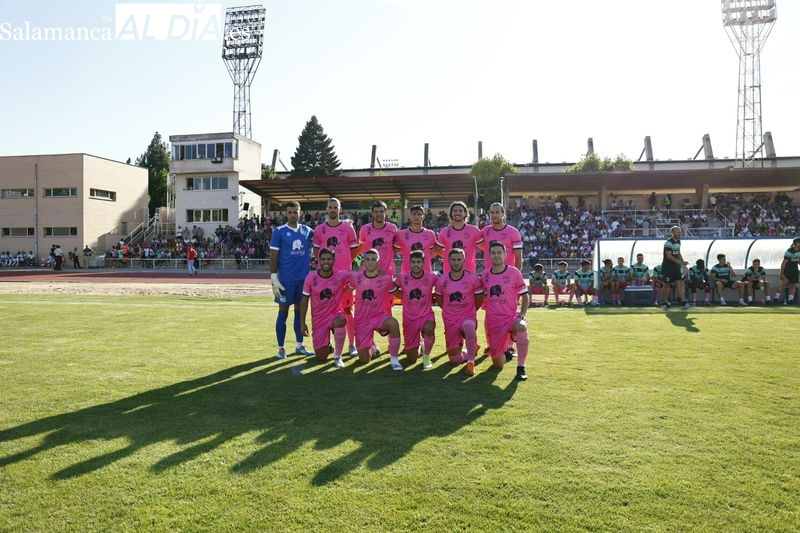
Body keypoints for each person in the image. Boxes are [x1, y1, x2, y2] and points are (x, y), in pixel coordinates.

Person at [312, 198, 359, 355]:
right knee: (325, 309)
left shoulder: (348, 228)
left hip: (344, 278)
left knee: (347, 309)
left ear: (340, 209)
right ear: (326, 209)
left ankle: (352, 344)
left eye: (335, 207)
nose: (332, 210)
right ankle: (328, 343)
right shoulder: (319, 230)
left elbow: (353, 251)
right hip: (325, 279)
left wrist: (344, 266)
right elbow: (317, 253)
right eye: (330, 207)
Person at [269, 201, 315, 359]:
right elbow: (273, 256)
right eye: (290, 212)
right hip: (285, 281)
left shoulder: (307, 230)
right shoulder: (279, 231)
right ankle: (281, 348)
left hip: (303, 281)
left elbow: (325, 233)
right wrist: (274, 278)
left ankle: (299, 345)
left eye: (295, 212)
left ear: (300, 213)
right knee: (283, 312)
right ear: (285, 214)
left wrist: (343, 223)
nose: (293, 215)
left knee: (299, 314)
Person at [480, 241, 530, 381]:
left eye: (499, 252)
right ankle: (505, 350)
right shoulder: (484, 275)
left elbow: (525, 296)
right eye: (493, 253)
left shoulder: (514, 272)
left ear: (505, 254)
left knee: (521, 327)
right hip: (494, 322)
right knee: (498, 365)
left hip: (511, 317)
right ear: (489, 255)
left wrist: (522, 315)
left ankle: (521, 367)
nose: (496, 255)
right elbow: (480, 297)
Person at [348, 249, 402, 369]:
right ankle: (371, 346)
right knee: (364, 360)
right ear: (364, 261)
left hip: (379, 317)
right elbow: (345, 291)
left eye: (373, 259)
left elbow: (396, 292)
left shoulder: (385, 278)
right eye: (367, 259)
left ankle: (394, 359)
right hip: (361, 321)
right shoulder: (356, 277)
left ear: (378, 261)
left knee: (393, 323)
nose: (370, 262)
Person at [434, 249, 484, 376]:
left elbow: (479, 299)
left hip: (468, 316)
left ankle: (471, 363)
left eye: (459, 259)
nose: (456, 262)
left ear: (464, 260)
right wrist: (449, 310)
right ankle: (471, 348)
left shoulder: (472, 279)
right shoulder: (442, 280)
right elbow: (439, 300)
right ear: (448, 261)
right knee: (454, 359)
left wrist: (471, 311)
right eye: (453, 260)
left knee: (469, 326)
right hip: (450, 319)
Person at [300, 248, 350, 367]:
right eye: (323, 259)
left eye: (329, 259)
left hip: (335, 314)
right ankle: (328, 345)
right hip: (319, 319)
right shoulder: (311, 278)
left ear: (334, 260)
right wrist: (302, 323)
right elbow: (304, 300)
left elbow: (359, 277)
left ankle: (338, 356)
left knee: (340, 321)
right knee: (321, 356)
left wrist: (378, 272)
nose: (326, 262)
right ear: (319, 261)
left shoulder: (341, 275)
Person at [395, 250, 438, 369]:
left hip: (426, 316)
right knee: (411, 359)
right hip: (409, 319)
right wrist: (403, 296)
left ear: (423, 263)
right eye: (413, 262)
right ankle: (419, 345)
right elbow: (393, 288)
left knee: (429, 329)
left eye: (418, 262)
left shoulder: (431, 277)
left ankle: (426, 357)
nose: (416, 265)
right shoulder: (403, 277)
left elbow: (444, 286)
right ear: (409, 263)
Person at [358, 200, 398, 317]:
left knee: (387, 309)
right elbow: (361, 248)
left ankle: (390, 329)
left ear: (386, 212)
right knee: (369, 307)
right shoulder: (364, 229)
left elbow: (396, 247)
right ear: (372, 213)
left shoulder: (392, 228)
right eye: (376, 212)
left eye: (381, 211)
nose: (379, 214)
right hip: (369, 275)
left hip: (386, 274)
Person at [436, 201, 483, 275]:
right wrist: (450, 254)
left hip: (468, 272)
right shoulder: (444, 232)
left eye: (460, 211)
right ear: (451, 213)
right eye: (455, 211)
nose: (457, 213)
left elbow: (484, 247)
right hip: (449, 272)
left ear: (465, 213)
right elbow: (437, 250)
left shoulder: (474, 230)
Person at [394, 204, 438, 273]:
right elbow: (396, 250)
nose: (416, 216)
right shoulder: (401, 234)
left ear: (423, 216)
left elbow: (434, 251)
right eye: (414, 214)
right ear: (410, 216)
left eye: (419, 214)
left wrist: (426, 257)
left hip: (426, 273)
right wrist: (406, 253)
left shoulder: (430, 234)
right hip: (407, 273)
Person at [480, 203, 523, 270]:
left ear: (503, 213)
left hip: (508, 274)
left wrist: (516, 274)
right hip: (489, 274)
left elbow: (518, 258)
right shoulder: (484, 231)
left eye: (497, 212)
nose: (494, 215)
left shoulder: (513, 232)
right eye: (492, 213)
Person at [661, 225, 690, 309]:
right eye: (678, 232)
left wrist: (682, 261)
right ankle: (665, 302)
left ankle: (683, 301)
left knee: (679, 283)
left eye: (680, 232)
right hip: (668, 267)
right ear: (673, 233)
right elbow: (669, 256)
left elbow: (678, 253)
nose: (680, 234)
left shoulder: (678, 242)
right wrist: (679, 262)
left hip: (676, 266)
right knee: (666, 285)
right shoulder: (668, 242)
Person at [776, 237, 800, 305]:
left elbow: (798, 260)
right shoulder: (789, 251)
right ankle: (776, 298)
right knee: (783, 283)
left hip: (795, 270)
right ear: (797, 243)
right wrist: (781, 273)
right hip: (787, 270)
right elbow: (784, 263)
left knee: (793, 284)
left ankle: (790, 300)